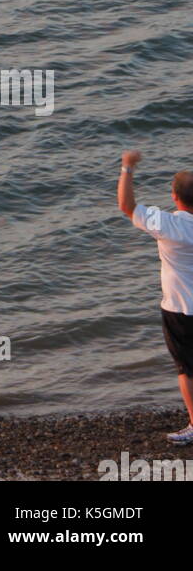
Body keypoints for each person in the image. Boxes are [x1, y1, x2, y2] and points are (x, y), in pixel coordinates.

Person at [119, 150, 193, 443]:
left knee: (186, 369)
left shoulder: (170, 225)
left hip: (180, 307)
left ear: (174, 197)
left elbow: (127, 206)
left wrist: (127, 167)